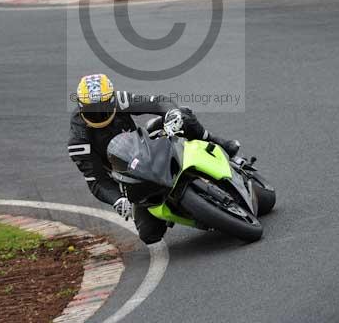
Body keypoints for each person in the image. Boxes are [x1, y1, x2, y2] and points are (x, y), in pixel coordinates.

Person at [68, 74, 240, 245]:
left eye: (103, 107)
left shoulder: (121, 101)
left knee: (183, 116)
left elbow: (158, 101)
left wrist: (171, 113)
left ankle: (215, 141)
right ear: (81, 106)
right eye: (92, 110)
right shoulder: (79, 141)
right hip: (129, 177)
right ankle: (193, 214)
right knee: (149, 235)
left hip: (145, 148)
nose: (98, 114)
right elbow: (96, 181)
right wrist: (117, 200)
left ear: (112, 100)